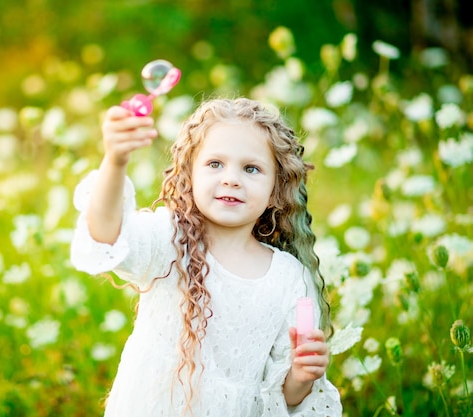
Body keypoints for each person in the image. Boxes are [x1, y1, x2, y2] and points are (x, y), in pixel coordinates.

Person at [70, 97, 342, 417]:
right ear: (191, 173)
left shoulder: (288, 278)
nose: (231, 179)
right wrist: (115, 161)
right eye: (215, 164)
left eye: (251, 168)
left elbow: (285, 397)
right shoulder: (168, 239)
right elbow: (106, 235)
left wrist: (302, 376)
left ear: (275, 190)